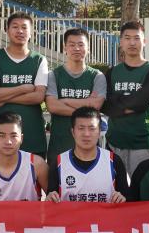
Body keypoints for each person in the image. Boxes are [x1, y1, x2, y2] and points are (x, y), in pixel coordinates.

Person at [103, 21, 149, 175]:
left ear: (144, 41)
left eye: (136, 38)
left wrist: (117, 104)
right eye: (127, 38)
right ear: (121, 42)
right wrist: (130, 105)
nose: (132, 43)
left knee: (141, 186)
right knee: (114, 186)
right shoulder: (112, 72)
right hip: (114, 140)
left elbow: (141, 102)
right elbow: (105, 106)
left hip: (141, 141)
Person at [0, 13, 49, 157]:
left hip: (32, 132)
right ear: (7, 31)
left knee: (35, 171)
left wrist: (3, 99)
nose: (20, 31)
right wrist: (23, 88)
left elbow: (38, 97)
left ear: (31, 33)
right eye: (15, 27)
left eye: (24, 27)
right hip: (3, 135)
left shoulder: (39, 60)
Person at [44, 28, 106, 166]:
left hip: (89, 147)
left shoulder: (97, 76)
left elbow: (96, 105)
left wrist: (64, 101)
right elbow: (52, 106)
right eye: (72, 45)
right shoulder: (53, 75)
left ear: (88, 48)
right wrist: (86, 104)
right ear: (65, 48)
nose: (77, 48)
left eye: (81, 44)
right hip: (60, 144)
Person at [46, 107, 128, 203]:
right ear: (73, 132)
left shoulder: (114, 161)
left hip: (105, 214)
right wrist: (50, 198)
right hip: (70, 214)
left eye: (92, 128)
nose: (86, 134)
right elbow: (51, 200)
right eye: (81, 128)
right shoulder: (59, 163)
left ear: (99, 132)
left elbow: (126, 199)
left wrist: (122, 198)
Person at [0, 112, 48, 201]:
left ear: (21, 138)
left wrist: (51, 196)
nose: (8, 142)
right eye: (2, 136)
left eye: (13, 136)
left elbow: (54, 200)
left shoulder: (37, 164)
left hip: (30, 211)